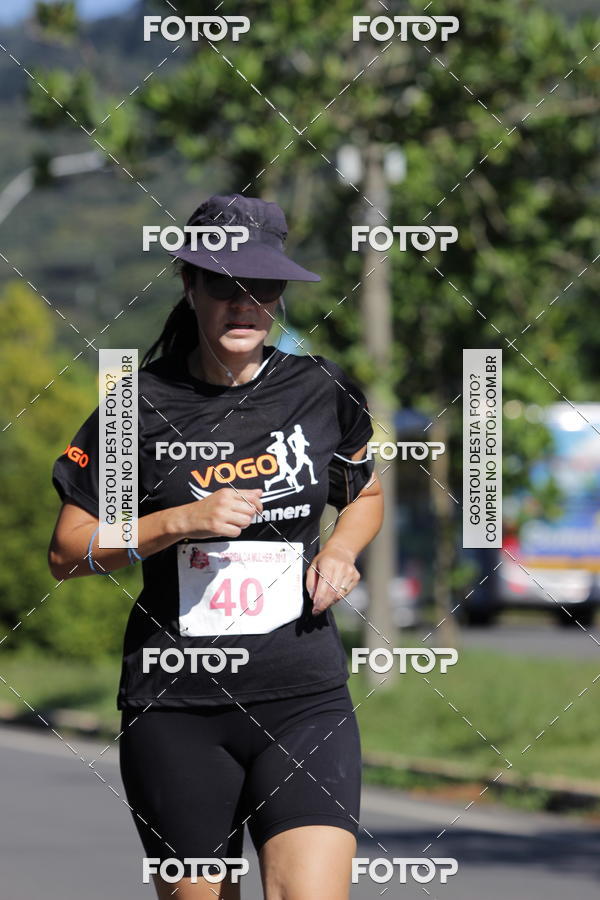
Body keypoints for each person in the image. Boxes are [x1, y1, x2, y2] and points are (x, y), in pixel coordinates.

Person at [48, 193, 384, 900]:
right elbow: (69, 550)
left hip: (304, 698)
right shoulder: (134, 409)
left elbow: (366, 494)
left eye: (262, 288)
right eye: (224, 287)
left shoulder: (319, 390)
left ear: (280, 294)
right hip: (177, 709)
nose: (244, 305)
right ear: (188, 285)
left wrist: (341, 550)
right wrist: (178, 522)